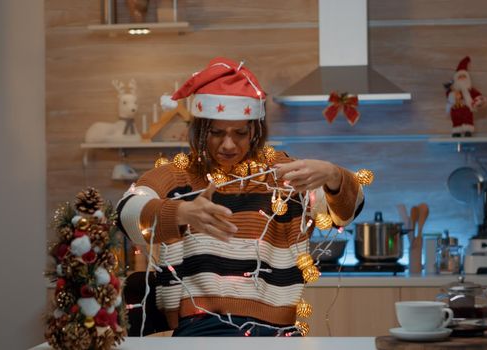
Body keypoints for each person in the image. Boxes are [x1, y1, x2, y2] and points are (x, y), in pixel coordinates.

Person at [116, 57, 365, 336]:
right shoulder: (178, 175)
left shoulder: (282, 175)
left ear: (256, 131)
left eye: (240, 133)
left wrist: (334, 176)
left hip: (279, 331)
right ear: (199, 131)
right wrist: (181, 213)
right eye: (217, 133)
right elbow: (126, 213)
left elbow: (345, 214)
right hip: (203, 327)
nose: (229, 144)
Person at [445, 56, 486, 137]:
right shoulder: (453, 90)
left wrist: (479, 101)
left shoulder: (471, 90)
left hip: (467, 110)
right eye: (460, 77)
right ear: (456, 79)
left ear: (467, 79)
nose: (462, 79)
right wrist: (453, 94)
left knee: (468, 119)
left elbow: (479, 96)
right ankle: (456, 131)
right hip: (456, 109)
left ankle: (468, 131)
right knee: (456, 121)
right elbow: (448, 95)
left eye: (464, 77)